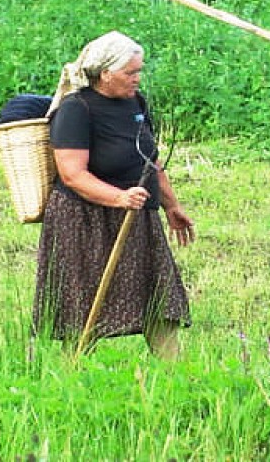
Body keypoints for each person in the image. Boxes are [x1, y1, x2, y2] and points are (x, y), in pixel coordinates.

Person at [34, 31, 196, 359]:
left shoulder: (136, 103)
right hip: (85, 220)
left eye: (139, 71)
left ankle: (177, 378)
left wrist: (171, 205)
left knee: (157, 296)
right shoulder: (75, 109)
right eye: (131, 73)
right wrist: (118, 198)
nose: (138, 78)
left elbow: (151, 159)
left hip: (137, 215)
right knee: (85, 303)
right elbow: (72, 174)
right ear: (105, 74)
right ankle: (73, 376)